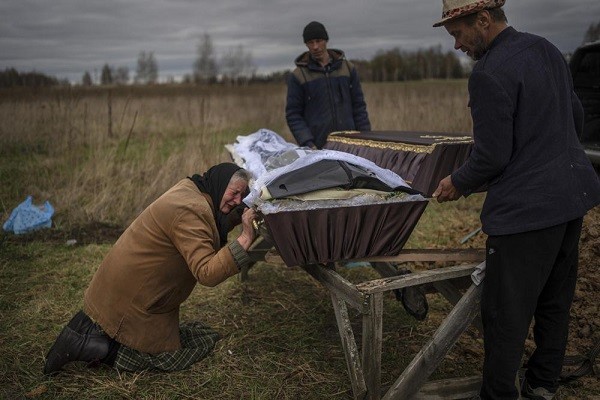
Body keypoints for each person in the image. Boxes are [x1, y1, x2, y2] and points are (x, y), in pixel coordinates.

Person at [431, 1, 600, 399]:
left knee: (505, 316)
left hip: (526, 215)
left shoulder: (488, 74)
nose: (457, 46)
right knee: (555, 302)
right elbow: (574, 116)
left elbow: (491, 156)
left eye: (458, 34)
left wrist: (457, 181)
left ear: (484, 20)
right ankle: (542, 384)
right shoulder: (546, 49)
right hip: (570, 201)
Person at [44, 163, 257, 374]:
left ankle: (88, 331)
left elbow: (211, 225)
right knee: (171, 356)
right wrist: (245, 237)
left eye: (242, 195)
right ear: (221, 184)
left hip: (122, 290)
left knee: (194, 337)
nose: (237, 200)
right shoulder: (192, 211)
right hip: (134, 302)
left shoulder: (192, 190)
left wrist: (238, 213)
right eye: (235, 192)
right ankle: (93, 346)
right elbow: (207, 273)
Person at [286, 21, 371, 149]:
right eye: (310, 43)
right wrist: (308, 143)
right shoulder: (298, 76)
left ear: (326, 40)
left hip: (351, 144)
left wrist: (366, 138)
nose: (315, 47)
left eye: (319, 41)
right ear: (306, 45)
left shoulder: (347, 68)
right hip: (319, 147)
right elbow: (293, 114)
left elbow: (359, 106)